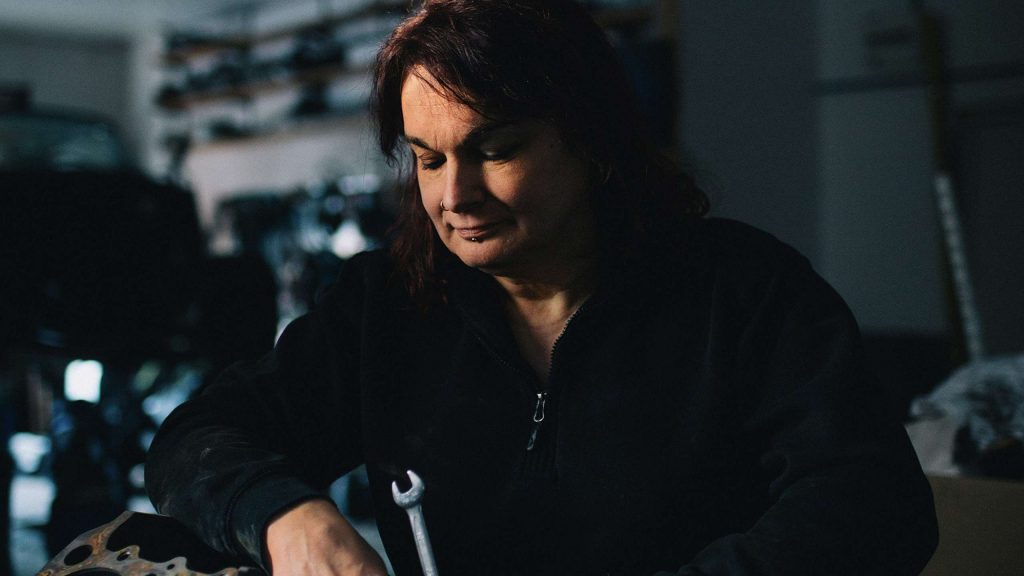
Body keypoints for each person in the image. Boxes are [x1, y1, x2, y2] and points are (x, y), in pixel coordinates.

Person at [145, 1, 939, 574]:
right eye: (429, 159)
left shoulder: (746, 292)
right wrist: (285, 516)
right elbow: (197, 438)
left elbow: (872, 506)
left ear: (589, 140)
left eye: (496, 150)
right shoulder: (383, 306)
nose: (455, 197)